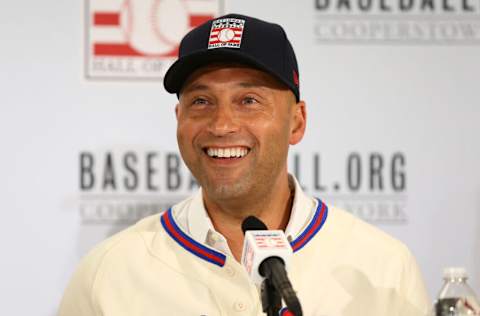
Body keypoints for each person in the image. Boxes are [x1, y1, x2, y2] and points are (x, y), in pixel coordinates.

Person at [59, 13, 430, 316]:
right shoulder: (108, 272)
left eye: (249, 100)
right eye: (201, 101)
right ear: (178, 118)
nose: (221, 125)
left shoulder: (383, 267)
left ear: (297, 122)